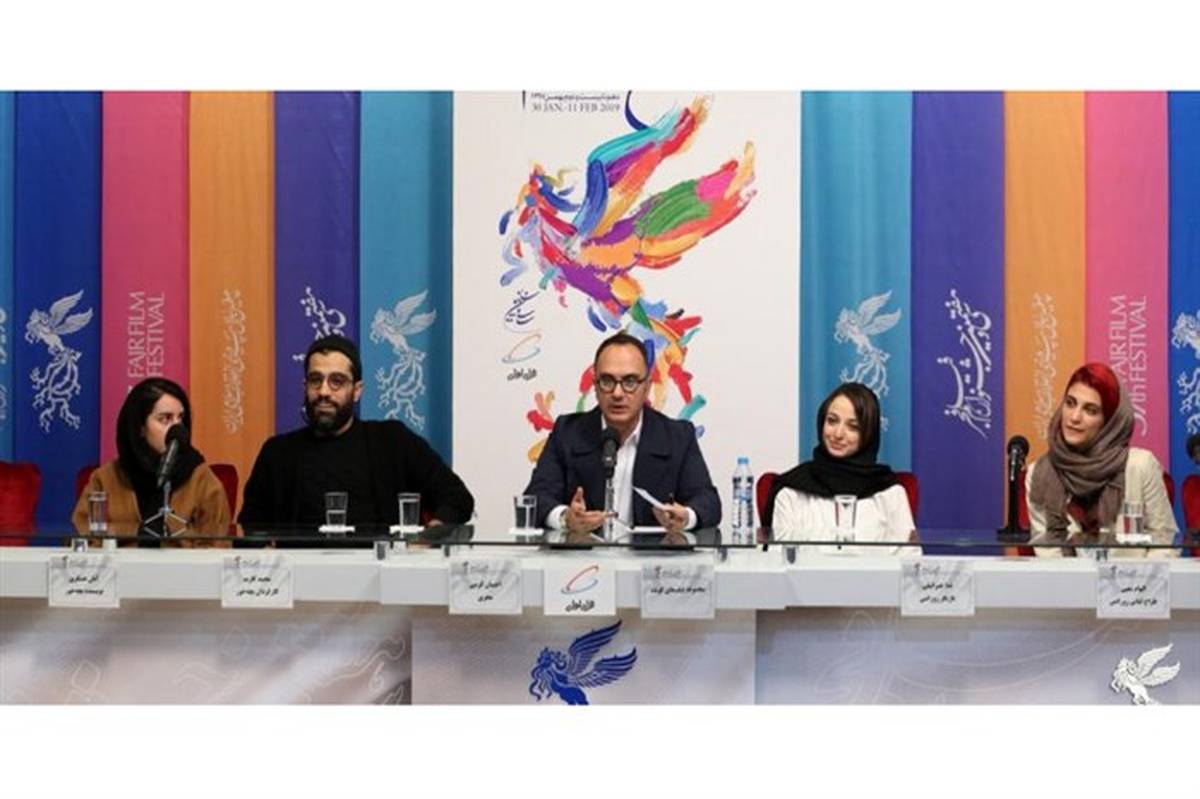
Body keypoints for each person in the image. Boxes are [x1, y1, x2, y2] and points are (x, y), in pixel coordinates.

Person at [238, 335, 473, 539]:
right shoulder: (277, 453)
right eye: (315, 380)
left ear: (357, 390)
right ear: (305, 386)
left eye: (337, 381)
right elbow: (250, 528)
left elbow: (457, 497)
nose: (324, 391)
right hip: (299, 573)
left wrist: (426, 539)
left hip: (380, 571)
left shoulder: (392, 441)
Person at [523, 331, 720, 541]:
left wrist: (686, 517)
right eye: (607, 381)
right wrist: (565, 518)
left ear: (647, 387)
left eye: (630, 381)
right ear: (595, 386)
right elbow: (536, 497)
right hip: (583, 559)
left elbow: (708, 502)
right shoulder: (568, 432)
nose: (617, 393)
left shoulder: (677, 437)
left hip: (652, 559)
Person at [1026, 363, 1177, 558]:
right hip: (1067, 577)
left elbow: (1164, 544)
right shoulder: (1039, 474)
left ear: (1109, 421)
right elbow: (1050, 555)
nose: (1074, 417)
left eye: (1090, 410)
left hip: (1134, 576)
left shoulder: (1140, 466)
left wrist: (1137, 578)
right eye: (1070, 403)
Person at [72, 377, 231, 545]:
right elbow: (84, 538)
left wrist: (171, 533)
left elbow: (218, 545)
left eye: (180, 419)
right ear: (140, 427)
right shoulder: (105, 479)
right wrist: (137, 532)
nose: (176, 429)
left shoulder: (201, 478)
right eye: (165, 419)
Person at [766, 382, 914, 554]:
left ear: (868, 434)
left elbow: (909, 561)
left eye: (853, 427)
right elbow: (778, 561)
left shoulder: (891, 494)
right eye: (832, 421)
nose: (838, 434)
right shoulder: (791, 492)